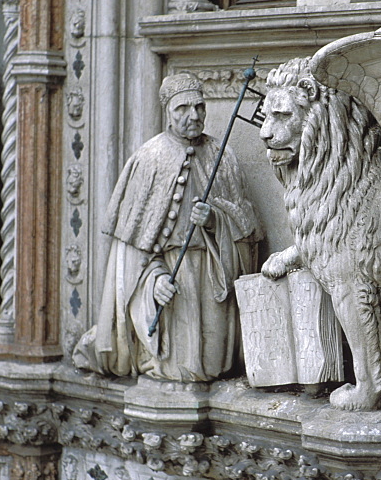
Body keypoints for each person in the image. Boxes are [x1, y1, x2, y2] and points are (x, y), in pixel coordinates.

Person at [73, 73, 261, 381]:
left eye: (200, 107)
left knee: (213, 366)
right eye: (182, 109)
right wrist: (154, 280)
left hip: (214, 272)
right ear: (168, 112)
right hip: (172, 273)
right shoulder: (148, 159)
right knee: (181, 369)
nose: (194, 116)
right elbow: (130, 252)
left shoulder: (221, 156)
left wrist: (216, 220)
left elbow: (249, 231)